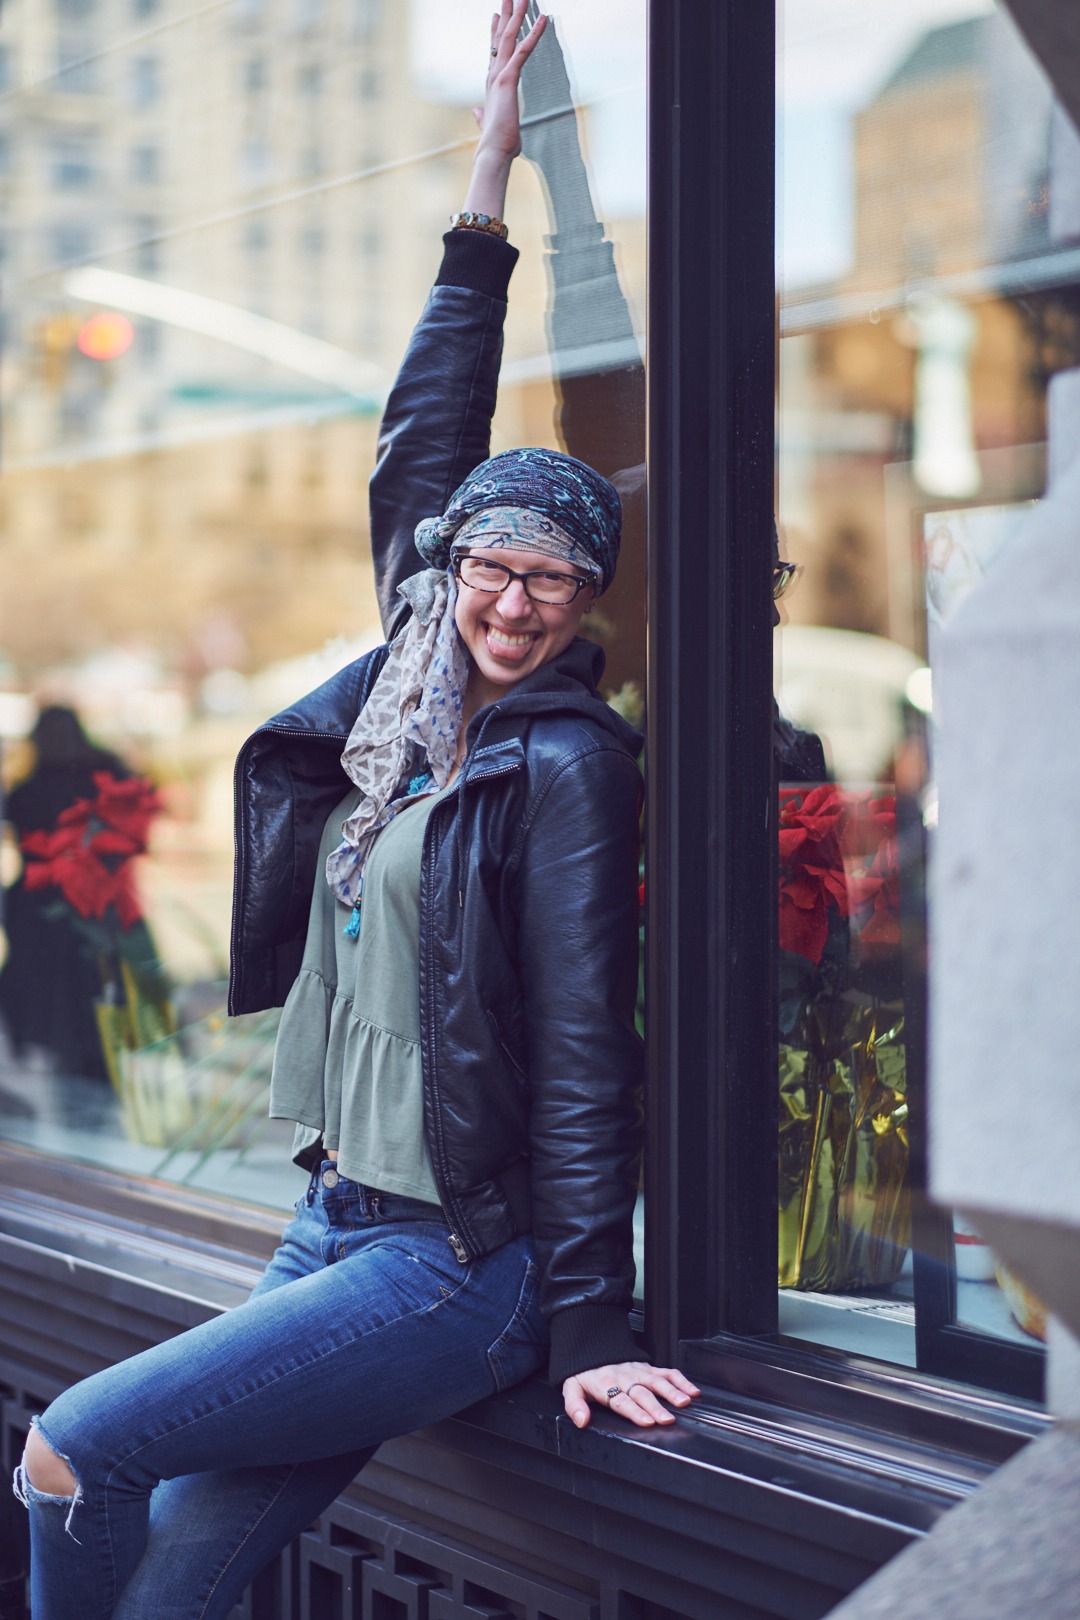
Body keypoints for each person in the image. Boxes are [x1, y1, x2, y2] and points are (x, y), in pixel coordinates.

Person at [13, 8, 697, 1617]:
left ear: (590, 596)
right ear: (446, 568)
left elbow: (592, 1048)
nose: (513, 605)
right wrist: (491, 172)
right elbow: (425, 430)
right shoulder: (407, 678)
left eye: (554, 580)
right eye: (490, 567)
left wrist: (592, 1319)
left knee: (71, 1452)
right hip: (330, 1221)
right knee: (184, 1572)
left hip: (455, 1265)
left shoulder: (567, 761)